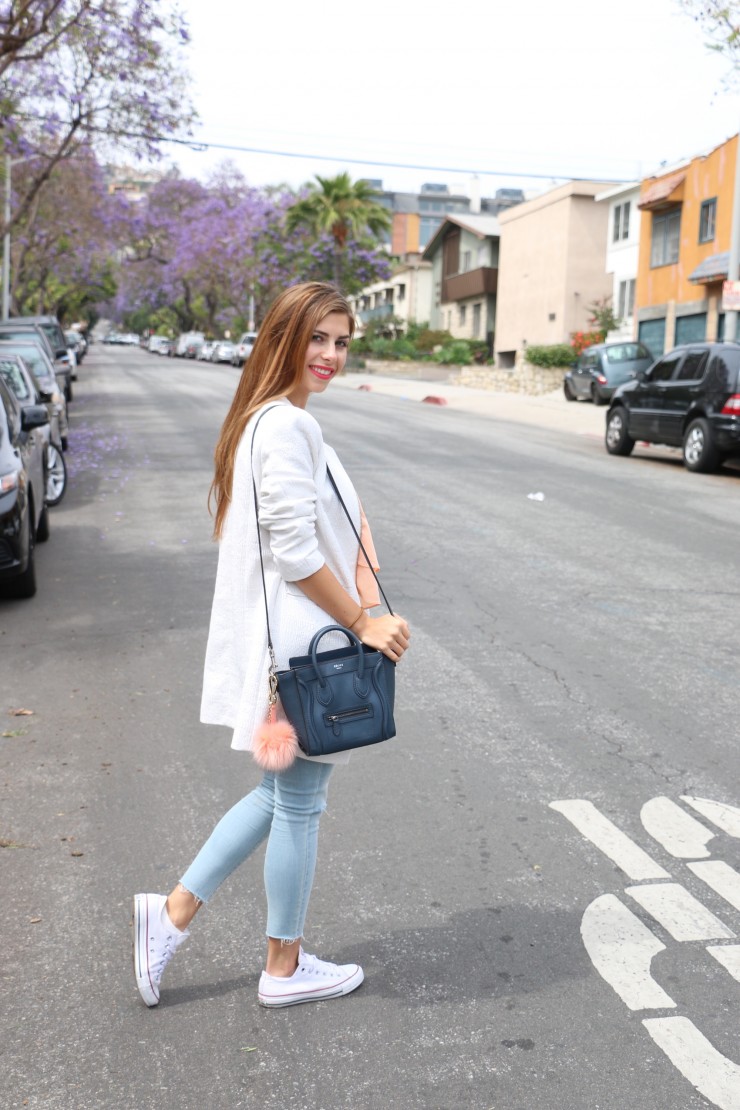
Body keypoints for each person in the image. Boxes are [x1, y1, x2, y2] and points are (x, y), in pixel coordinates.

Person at [133, 282, 410, 1009]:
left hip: (288, 639)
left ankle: (173, 914)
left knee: (282, 793)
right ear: (282, 336)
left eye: (342, 342)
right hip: (305, 642)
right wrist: (361, 621)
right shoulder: (283, 425)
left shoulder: (270, 421)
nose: (331, 354)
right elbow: (292, 549)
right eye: (317, 338)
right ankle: (280, 968)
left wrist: (369, 590)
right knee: (299, 803)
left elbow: (336, 525)